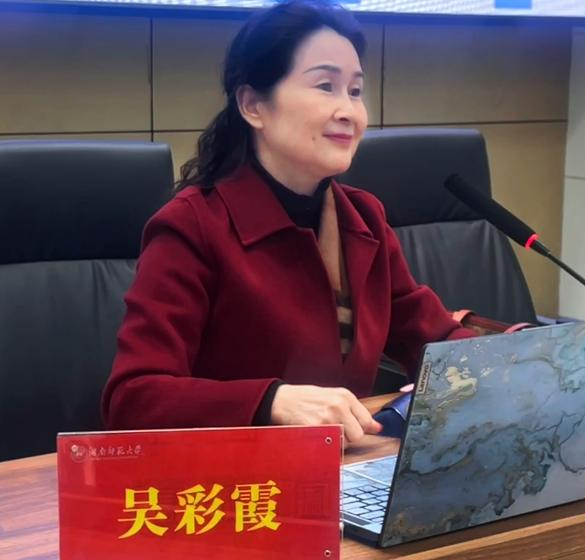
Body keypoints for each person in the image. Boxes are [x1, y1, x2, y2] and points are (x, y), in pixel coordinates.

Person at [101, 0, 474, 444]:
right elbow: (133, 399)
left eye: (355, 91)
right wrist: (271, 401)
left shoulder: (363, 218)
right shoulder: (193, 225)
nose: (348, 111)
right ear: (253, 105)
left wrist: (515, 363)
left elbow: (430, 335)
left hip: (345, 467)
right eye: (325, 86)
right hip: (233, 477)